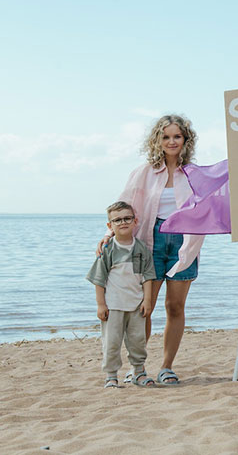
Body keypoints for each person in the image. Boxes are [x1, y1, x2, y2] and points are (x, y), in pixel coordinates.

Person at [97, 114, 205, 386]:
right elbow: (125, 205)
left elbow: (209, 206)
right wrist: (109, 234)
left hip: (184, 241)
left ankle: (167, 366)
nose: (171, 141)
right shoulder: (143, 172)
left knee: (175, 306)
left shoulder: (193, 173)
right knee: (145, 307)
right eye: (166, 136)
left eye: (177, 136)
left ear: (185, 140)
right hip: (149, 242)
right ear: (157, 140)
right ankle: (139, 367)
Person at [87, 201, 156, 388]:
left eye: (127, 218)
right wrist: (101, 305)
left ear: (135, 221)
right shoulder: (107, 250)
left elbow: (148, 277)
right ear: (110, 225)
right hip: (113, 306)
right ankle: (111, 375)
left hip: (136, 305)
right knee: (111, 342)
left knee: (137, 341)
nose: (123, 222)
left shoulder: (142, 249)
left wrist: (147, 301)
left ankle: (139, 372)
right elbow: (99, 280)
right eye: (117, 220)